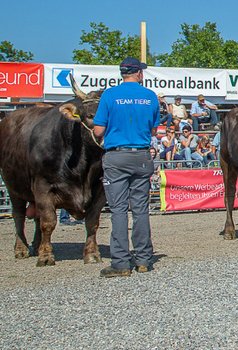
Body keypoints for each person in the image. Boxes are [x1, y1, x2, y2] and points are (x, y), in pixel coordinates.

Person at [93, 57, 159, 277]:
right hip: (141, 156)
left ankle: (121, 263)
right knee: (140, 209)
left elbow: (98, 131)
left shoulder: (110, 95)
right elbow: (153, 131)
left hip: (116, 156)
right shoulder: (150, 97)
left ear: (122, 73)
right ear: (139, 73)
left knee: (118, 210)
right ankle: (143, 259)